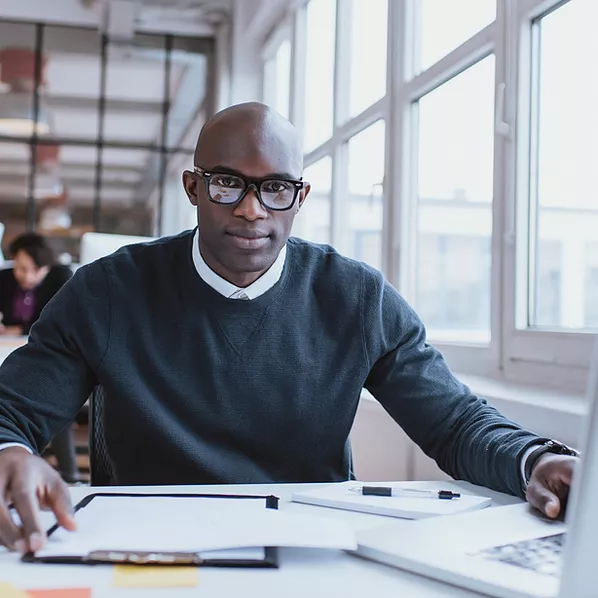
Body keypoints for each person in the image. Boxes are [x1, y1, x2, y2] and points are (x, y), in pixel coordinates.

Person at [0, 102, 577, 554]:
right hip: (146, 547)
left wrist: (535, 460)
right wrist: (11, 451)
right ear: (193, 188)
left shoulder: (356, 298)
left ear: (299, 196)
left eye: (276, 188)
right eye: (228, 183)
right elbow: (13, 414)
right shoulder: (107, 291)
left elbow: (453, 424)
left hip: (311, 548)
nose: (253, 210)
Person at [0, 232, 80, 485]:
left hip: (48, 356)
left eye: (35, 270)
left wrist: (16, 329)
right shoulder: (3, 279)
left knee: (50, 395)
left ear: (47, 267)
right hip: (8, 351)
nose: (27, 276)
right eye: (21, 268)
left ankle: (69, 476)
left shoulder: (62, 279)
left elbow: (57, 324)